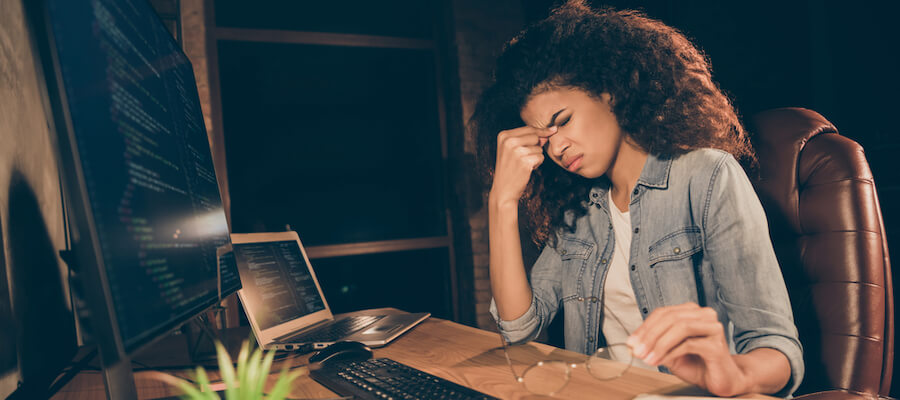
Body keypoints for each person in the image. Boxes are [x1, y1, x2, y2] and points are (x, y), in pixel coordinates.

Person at [472, 1, 804, 397]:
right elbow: (520, 332)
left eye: (562, 121)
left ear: (610, 91)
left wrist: (734, 373)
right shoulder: (579, 214)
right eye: (544, 139)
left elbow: (778, 350)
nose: (557, 147)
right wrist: (502, 203)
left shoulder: (706, 175)